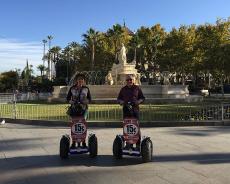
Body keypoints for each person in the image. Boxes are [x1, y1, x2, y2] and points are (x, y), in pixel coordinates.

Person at [117, 74, 145, 149]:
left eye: (130, 80)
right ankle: (128, 144)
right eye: (128, 80)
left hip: (135, 110)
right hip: (126, 110)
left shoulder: (137, 88)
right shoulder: (123, 89)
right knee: (127, 127)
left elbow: (142, 98)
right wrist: (121, 102)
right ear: (126, 81)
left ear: (133, 80)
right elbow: (119, 99)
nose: (129, 81)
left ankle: (138, 144)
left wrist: (138, 102)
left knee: (136, 127)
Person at [66, 74, 92, 148]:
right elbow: (68, 98)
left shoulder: (86, 88)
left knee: (82, 125)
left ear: (83, 81)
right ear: (76, 80)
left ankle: (83, 142)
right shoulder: (72, 88)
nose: (80, 81)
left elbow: (90, 99)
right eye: (79, 80)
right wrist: (70, 101)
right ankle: (74, 142)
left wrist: (86, 101)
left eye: (82, 80)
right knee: (74, 125)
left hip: (83, 109)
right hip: (74, 109)